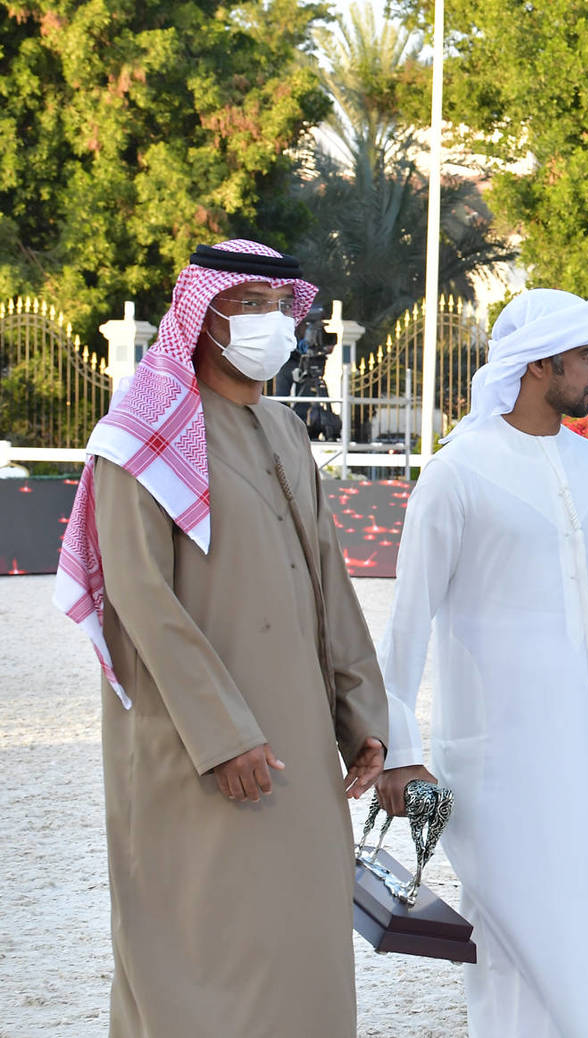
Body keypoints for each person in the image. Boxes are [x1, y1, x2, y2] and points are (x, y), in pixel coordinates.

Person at [54, 239, 390, 1038]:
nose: (272, 324)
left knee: (303, 941)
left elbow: (328, 586)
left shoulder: (282, 431)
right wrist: (223, 736)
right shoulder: (140, 436)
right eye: (249, 308)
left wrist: (364, 720)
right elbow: (142, 598)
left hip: (299, 747)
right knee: (200, 947)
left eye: (280, 307)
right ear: (201, 320)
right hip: (192, 748)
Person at [376, 287, 588, 1037]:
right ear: (539, 362)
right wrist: (398, 750)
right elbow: (406, 624)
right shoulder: (457, 473)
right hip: (496, 771)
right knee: (528, 943)